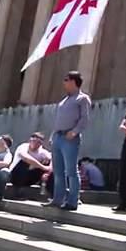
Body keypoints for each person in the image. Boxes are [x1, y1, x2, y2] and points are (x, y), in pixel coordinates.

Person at [43, 71, 90, 211]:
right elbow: (58, 121)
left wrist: (75, 131)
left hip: (70, 138)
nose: (64, 82)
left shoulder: (82, 98)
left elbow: (85, 119)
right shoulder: (64, 100)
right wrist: (53, 136)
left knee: (71, 171)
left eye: (66, 79)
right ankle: (58, 199)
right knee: (58, 171)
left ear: (74, 81)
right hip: (58, 136)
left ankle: (72, 201)